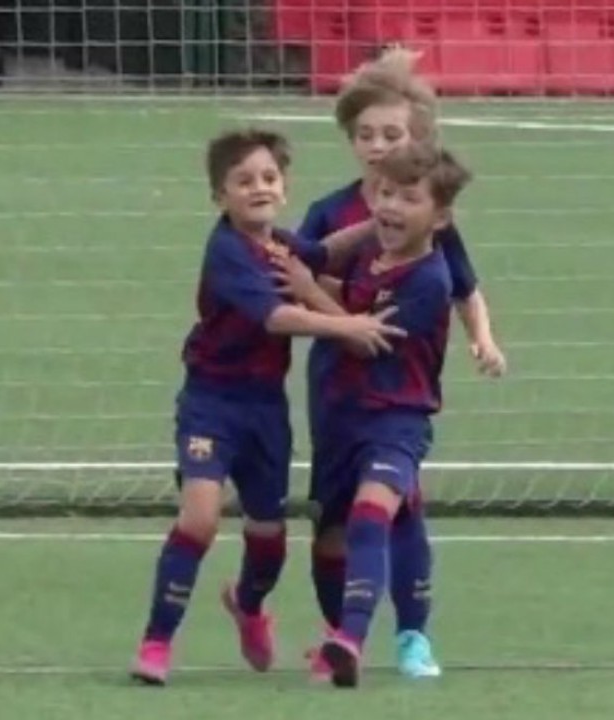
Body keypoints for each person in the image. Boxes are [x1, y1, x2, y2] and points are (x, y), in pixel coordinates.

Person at [129, 128, 404, 686]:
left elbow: (324, 253)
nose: (258, 188)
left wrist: (386, 221)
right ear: (220, 195)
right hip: (212, 403)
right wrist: (344, 324)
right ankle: (156, 643)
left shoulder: (279, 242)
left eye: (268, 178)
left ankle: (249, 605)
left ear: (283, 188)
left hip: (265, 411)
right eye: (243, 180)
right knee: (200, 518)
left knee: (268, 533)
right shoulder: (227, 251)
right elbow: (278, 317)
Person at [295, 47, 506, 681]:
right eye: (367, 135)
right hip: (334, 395)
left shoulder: (429, 234)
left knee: (391, 507)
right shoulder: (334, 211)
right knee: (330, 526)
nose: (379, 146)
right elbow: (303, 266)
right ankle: (339, 638)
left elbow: (461, 288)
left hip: (395, 400)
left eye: (393, 134)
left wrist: (484, 339)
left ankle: (409, 635)